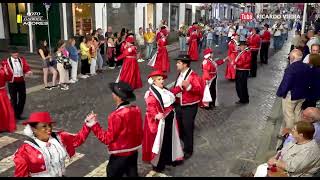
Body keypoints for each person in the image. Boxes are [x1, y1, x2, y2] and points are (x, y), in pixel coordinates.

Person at [85, 81, 143, 177]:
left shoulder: (116, 115)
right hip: (133, 152)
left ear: (118, 97)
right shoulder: (136, 109)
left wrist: (94, 124)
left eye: (114, 92)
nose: (112, 94)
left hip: (119, 155)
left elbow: (107, 138)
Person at [13, 111, 92, 177]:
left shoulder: (60, 137)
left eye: (50, 125)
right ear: (34, 129)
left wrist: (88, 125)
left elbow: (77, 140)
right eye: (44, 126)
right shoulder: (25, 151)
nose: (49, 129)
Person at [142, 70, 184, 174]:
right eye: (159, 79)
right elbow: (150, 106)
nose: (162, 81)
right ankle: (159, 164)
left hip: (170, 119)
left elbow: (171, 93)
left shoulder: (163, 89)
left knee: (170, 139)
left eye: (162, 79)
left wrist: (180, 87)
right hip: (161, 122)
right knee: (161, 142)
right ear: (154, 81)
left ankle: (170, 159)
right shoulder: (151, 94)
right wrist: (156, 115)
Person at [253, 121, 320, 177]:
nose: (292, 130)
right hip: (283, 161)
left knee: (262, 168)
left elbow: (293, 168)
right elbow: (284, 149)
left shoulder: (309, 151)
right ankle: (254, 173)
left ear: (301, 135)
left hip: (292, 173)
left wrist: (276, 162)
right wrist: (276, 156)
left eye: (294, 129)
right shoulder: (298, 139)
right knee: (267, 156)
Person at [170, 54, 202, 160]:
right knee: (180, 127)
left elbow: (199, 89)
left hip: (189, 106)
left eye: (178, 63)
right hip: (179, 104)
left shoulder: (193, 76)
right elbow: (178, 88)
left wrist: (189, 86)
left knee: (188, 128)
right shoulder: (180, 74)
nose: (176, 64)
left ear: (185, 64)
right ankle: (185, 143)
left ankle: (189, 150)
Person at [276, 49, 312, 129]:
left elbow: (286, 83)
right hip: (302, 95)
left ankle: (290, 133)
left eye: (290, 56)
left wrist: (281, 93)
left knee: (289, 114)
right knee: (298, 112)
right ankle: (298, 129)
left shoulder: (291, 69)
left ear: (292, 57)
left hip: (291, 96)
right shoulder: (307, 67)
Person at [2, 48, 32, 120]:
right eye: (14, 53)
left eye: (17, 53)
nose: (16, 54)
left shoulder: (21, 60)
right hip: (12, 83)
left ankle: (18, 113)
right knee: (13, 99)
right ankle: (14, 115)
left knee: (23, 98)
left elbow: (26, 67)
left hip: (21, 81)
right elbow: (4, 71)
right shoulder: (6, 62)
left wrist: (28, 71)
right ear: (11, 54)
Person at [0, 63, 16, 132]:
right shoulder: (3, 69)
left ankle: (4, 126)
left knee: (4, 110)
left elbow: (9, 78)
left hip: (2, 92)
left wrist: (7, 71)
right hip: (2, 92)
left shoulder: (3, 68)